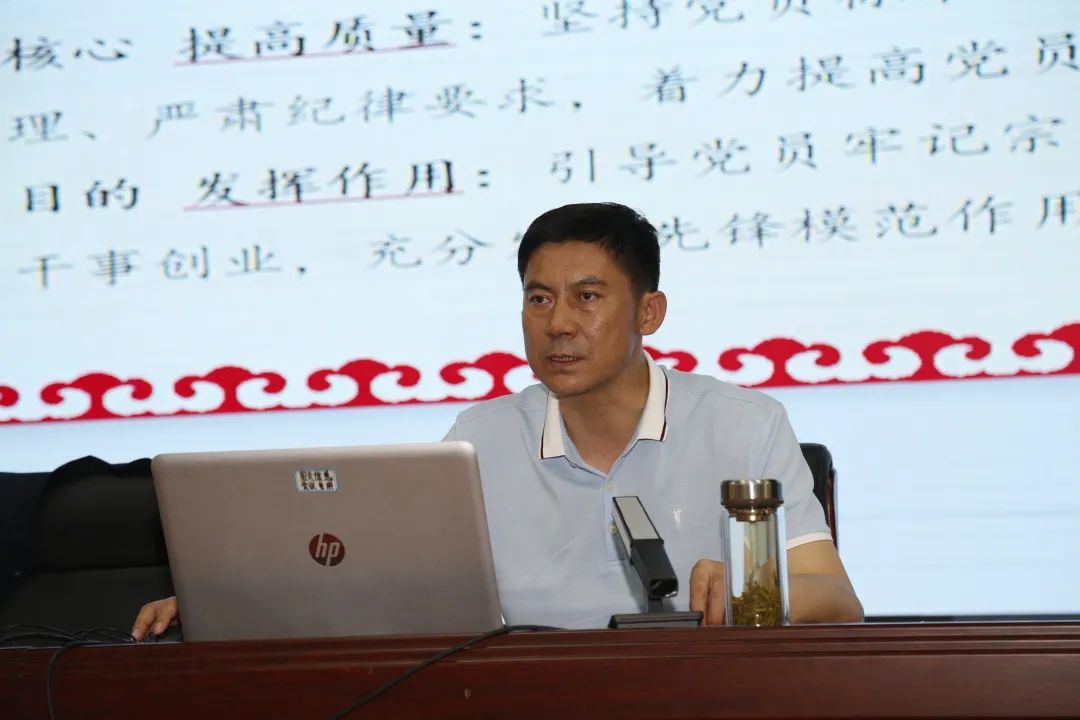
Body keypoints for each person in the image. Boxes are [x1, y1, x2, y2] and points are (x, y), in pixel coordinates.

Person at [132, 202, 862, 638]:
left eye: (587, 297)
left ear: (649, 312)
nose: (559, 323)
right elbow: (386, 582)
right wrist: (232, 604)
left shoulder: (744, 425)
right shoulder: (480, 440)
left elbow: (837, 600)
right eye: (539, 299)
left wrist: (751, 592)